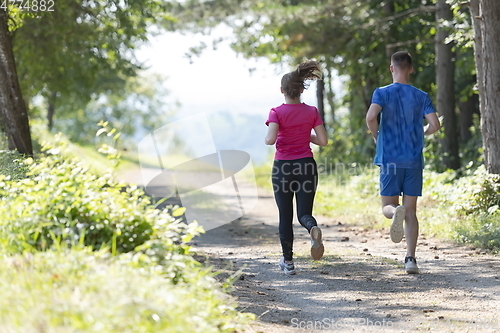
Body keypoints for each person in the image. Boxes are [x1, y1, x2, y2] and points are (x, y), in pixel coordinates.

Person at [365, 51, 440, 274]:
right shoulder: (421, 95)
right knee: (411, 211)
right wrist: (421, 133)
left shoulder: (382, 93)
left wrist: (377, 136)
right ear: (411, 69)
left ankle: (394, 211)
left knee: (387, 207)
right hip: (413, 160)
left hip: (389, 158)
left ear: (392, 68)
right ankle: (411, 259)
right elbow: (435, 125)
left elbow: (370, 117)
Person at [265, 59, 328, 275]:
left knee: (285, 215)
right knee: (303, 213)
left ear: (282, 90)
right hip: (306, 166)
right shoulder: (311, 111)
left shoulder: (276, 112)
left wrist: (271, 135)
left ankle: (288, 263)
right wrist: (305, 135)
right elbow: (323, 141)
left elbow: (270, 139)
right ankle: (312, 228)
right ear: (302, 89)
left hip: (283, 167)